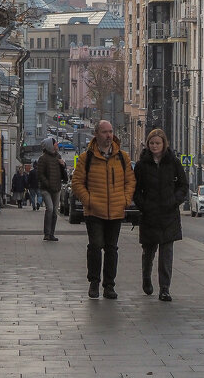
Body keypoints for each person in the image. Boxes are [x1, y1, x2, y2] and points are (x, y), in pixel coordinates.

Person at [70, 120, 134, 300]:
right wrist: (88, 200)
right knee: (96, 246)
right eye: (105, 132)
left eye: (111, 132)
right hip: (94, 211)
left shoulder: (122, 157)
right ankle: (94, 283)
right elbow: (77, 183)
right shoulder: (86, 158)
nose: (108, 136)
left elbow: (130, 181)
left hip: (116, 210)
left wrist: (125, 199)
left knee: (112, 248)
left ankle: (109, 285)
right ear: (96, 134)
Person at [132, 128, 188, 302]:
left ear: (164, 144)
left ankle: (165, 288)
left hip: (168, 215)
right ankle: (146, 279)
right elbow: (135, 190)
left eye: (158, 143)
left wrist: (174, 201)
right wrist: (144, 205)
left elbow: (183, 186)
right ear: (148, 145)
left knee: (166, 254)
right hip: (150, 215)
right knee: (148, 251)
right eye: (152, 143)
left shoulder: (173, 163)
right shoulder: (142, 165)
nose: (155, 146)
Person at [31, 137, 66, 241]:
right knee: (50, 209)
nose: (57, 145)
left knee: (55, 211)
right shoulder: (43, 158)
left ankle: (52, 234)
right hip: (46, 189)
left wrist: (63, 165)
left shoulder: (58, 156)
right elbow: (40, 174)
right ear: (51, 145)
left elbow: (63, 173)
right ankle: (46, 233)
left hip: (57, 188)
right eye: (55, 144)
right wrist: (48, 183)